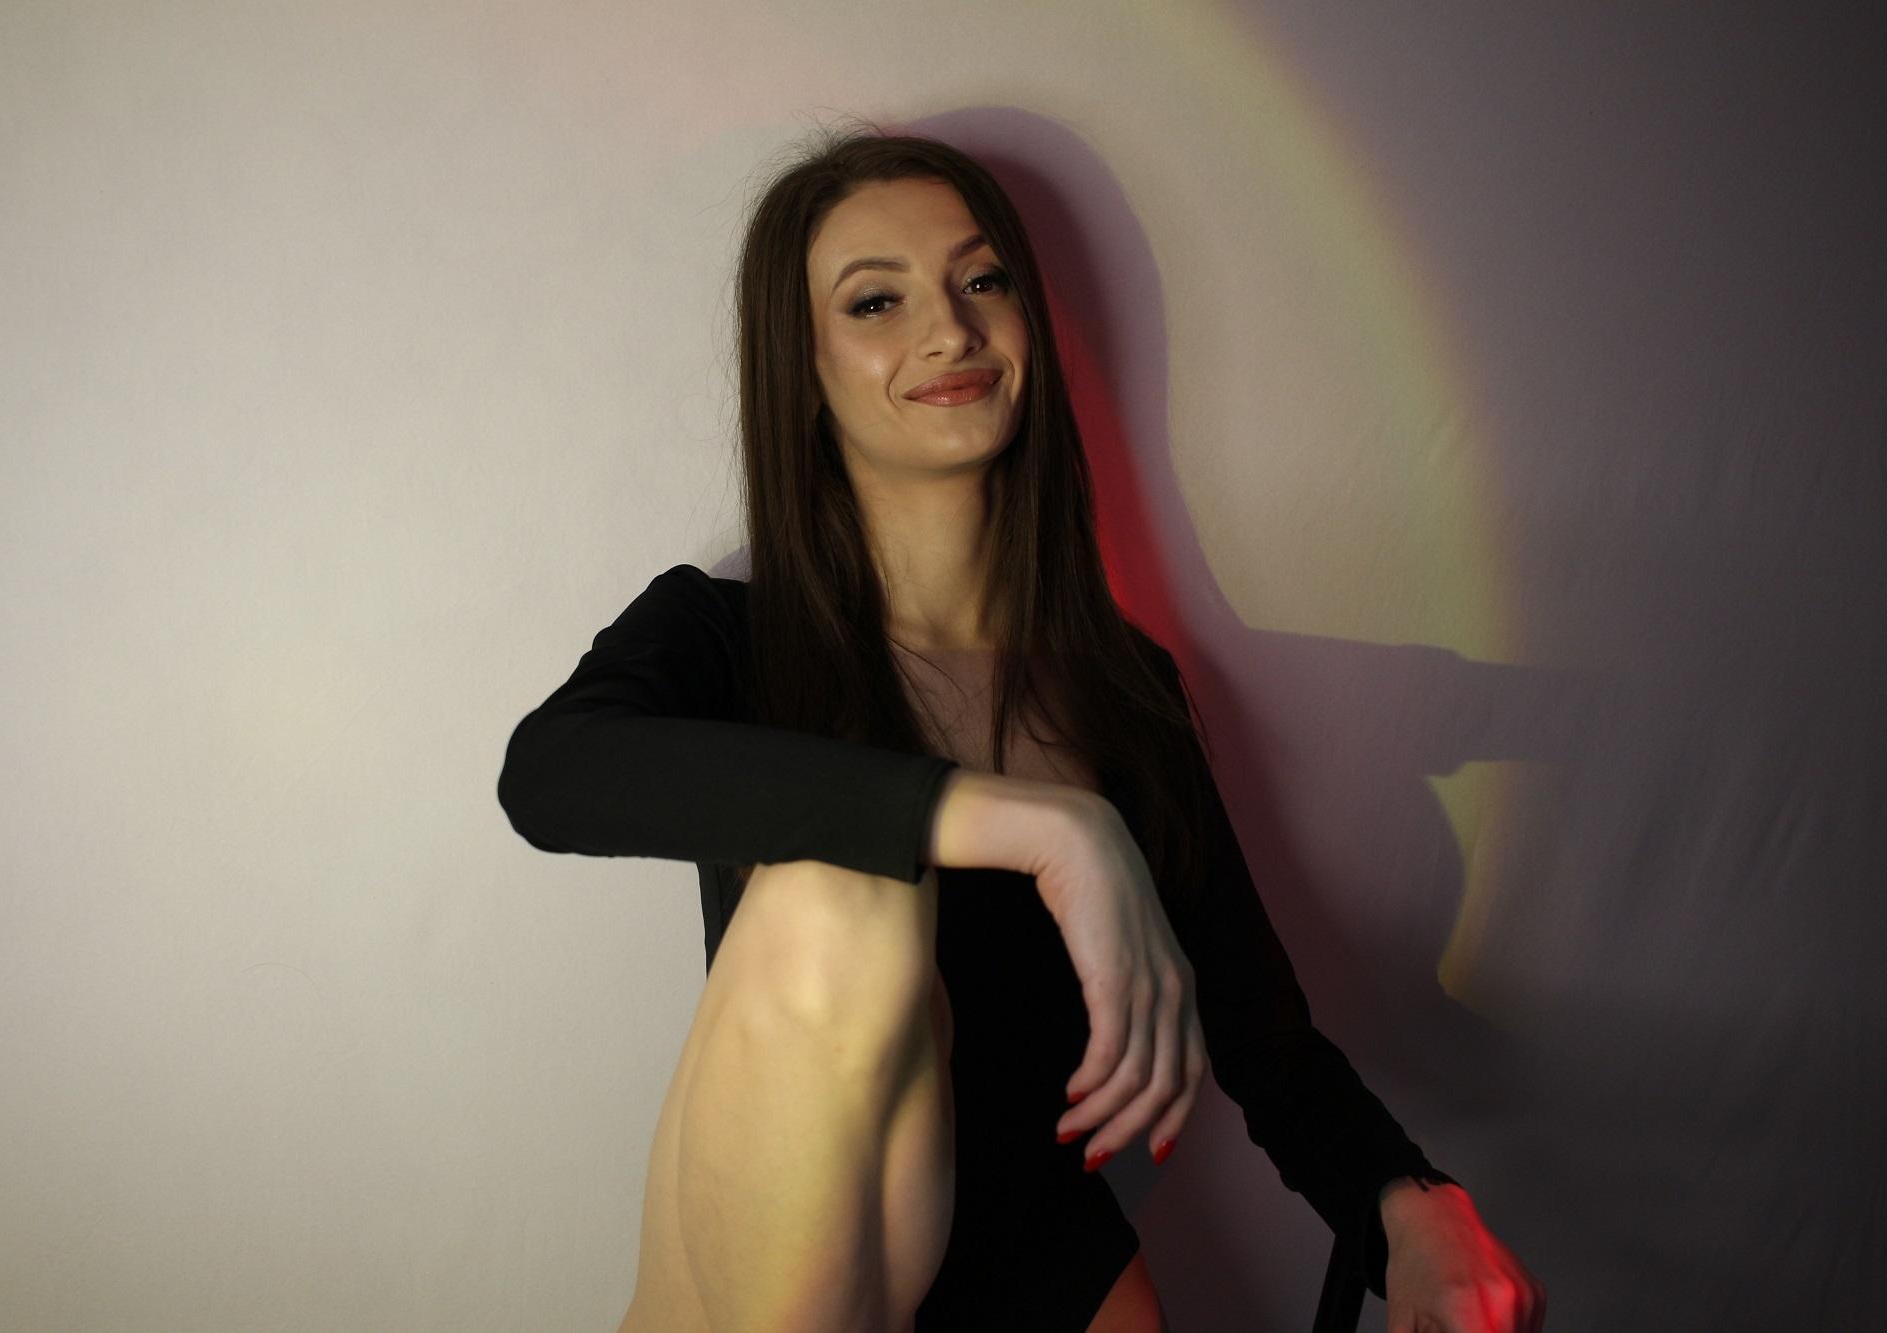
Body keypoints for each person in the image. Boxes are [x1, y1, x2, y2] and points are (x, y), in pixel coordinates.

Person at [497, 125, 1545, 1333]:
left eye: (980, 280)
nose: (949, 330)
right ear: (804, 367)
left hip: (1052, 1271)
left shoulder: (1118, 688)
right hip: (786, 1281)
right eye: (875, 301)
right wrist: (1049, 829)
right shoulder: (722, 636)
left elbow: (1265, 1044)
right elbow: (551, 774)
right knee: (841, 890)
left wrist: (1413, 1206)